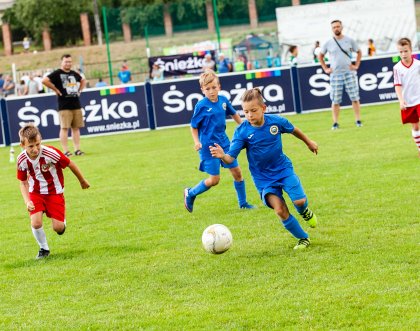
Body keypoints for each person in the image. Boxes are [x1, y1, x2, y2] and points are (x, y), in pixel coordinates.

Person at [210, 88, 318, 249]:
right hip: (263, 179)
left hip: (283, 170)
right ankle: (303, 238)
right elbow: (231, 156)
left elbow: (293, 129)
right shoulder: (242, 131)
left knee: (300, 201)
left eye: (253, 111)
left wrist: (309, 142)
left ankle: (304, 211)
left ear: (263, 108)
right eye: (246, 112)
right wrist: (222, 156)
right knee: (280, 210)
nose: (250, 115)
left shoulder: (275, 121)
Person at [184, 69, 254, 212]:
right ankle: (190, 193)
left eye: (214, 87)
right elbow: (193, 126)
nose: (211, 91)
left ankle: (243, 204)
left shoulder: (223, 100)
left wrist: (244, 129)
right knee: (214, 180)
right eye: (207, 89)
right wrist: (196, 142)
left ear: (219, 87)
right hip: (208, 147)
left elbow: (234, 114)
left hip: (224, 143)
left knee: (237, 172)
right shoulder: (201, 105)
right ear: (202, 89)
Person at [16, 124, 90, 259]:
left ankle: (61, 221)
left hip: (54, 192)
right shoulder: (21, 159)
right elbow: (23, 182)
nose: (35, 149)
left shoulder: (51, 153)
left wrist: (82, 180)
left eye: (37, 144)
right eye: (31, 146)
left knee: (58, 228)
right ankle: (44, 249)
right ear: (22, 145)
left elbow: (70, 164)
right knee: (36, 222)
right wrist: (27, 201)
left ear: (41, 140)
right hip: (35, 192)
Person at [319, 19, 362, 130]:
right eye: (334, 27)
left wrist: (356, 65)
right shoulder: (328, 43)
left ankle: (358, 120)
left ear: (342, 27)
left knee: (355, 98)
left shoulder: (349, 41)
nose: (336, 28)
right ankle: (335, 123)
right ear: (332, 29)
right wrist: (325, 68)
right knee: (335, 100)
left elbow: (358, 51)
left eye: (338, 26)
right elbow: (320, 55)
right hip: (335, 75)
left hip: (349, 73)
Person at [42, 54, 86, 156]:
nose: (68, 63)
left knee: (76, 128)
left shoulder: (74, 74)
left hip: (76, 104)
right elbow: (44, 80)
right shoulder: (57, 73)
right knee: (64, 128)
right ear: (62, 62)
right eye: (66, 61)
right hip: (64, 105)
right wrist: (56, 90)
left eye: (70, 61)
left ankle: (77, 149)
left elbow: (83, 80)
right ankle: (65, 151)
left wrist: (79, 90)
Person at [393, 37, 420, 157]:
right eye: (400, 52)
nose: (403, 54)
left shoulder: (418, 64)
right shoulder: (397, 68)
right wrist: (401, 100)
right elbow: (397, 85)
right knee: (415, 126)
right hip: (409, 101)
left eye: (405, 51)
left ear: (411, 50)